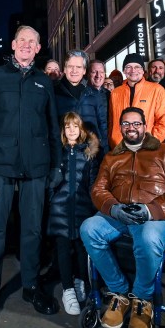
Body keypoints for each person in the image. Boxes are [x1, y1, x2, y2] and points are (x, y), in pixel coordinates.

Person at [0, 25, 62, 323]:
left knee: (33, 229)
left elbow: (52, 127)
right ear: (13, 45)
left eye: (32, 42)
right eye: (21, 40)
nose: (25, 45)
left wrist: (55, 165)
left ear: (37, 48)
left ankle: (31, 285)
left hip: (36, 167)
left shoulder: (43, 82)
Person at [80, 107, 165, 328]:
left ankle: (142, 299)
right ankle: (118, 292)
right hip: (119, 216)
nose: (131, 128)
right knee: (89, 228)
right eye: (126, 124)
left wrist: (151, 210)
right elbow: (98, 189)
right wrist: (114, 208)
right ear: (120, 127)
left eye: (136, 123)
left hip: (156, 218)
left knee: (148, 235)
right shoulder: (112, 157)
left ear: (145, 126)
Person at [47, 112, 100, 315]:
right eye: (68, 127)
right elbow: (50, 180)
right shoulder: (57, 152)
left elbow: (93, 182)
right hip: (60, 208)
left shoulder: (88, 153)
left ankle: (80, 281)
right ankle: (67, 289)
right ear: (63, 130)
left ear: (81, 130)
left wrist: (93, 206)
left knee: (81, 247)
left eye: (75, 127)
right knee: (62, 247)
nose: (71, 130)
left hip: (82, 207)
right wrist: (52, 194)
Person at [107, 53, 165, 149]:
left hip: (146, 148)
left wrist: (152, 142)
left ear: (143, 70)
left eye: (137, 67)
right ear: (124, 70)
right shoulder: (115, 93)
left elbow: (163, 121)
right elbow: (112, 121)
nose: (133, 70)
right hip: (120, 147)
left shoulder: (156, 90)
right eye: (128, 67)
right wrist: (113, 141)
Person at [54, 50, 108, 153]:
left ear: (84, 71)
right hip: (63, 155)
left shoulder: (94, 95)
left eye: (78, 67)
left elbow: (102, 127)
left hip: (90, 156)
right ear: (64, 69)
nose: (74, 70)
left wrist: (104, 153)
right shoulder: (53, 93)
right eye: (70, 66)